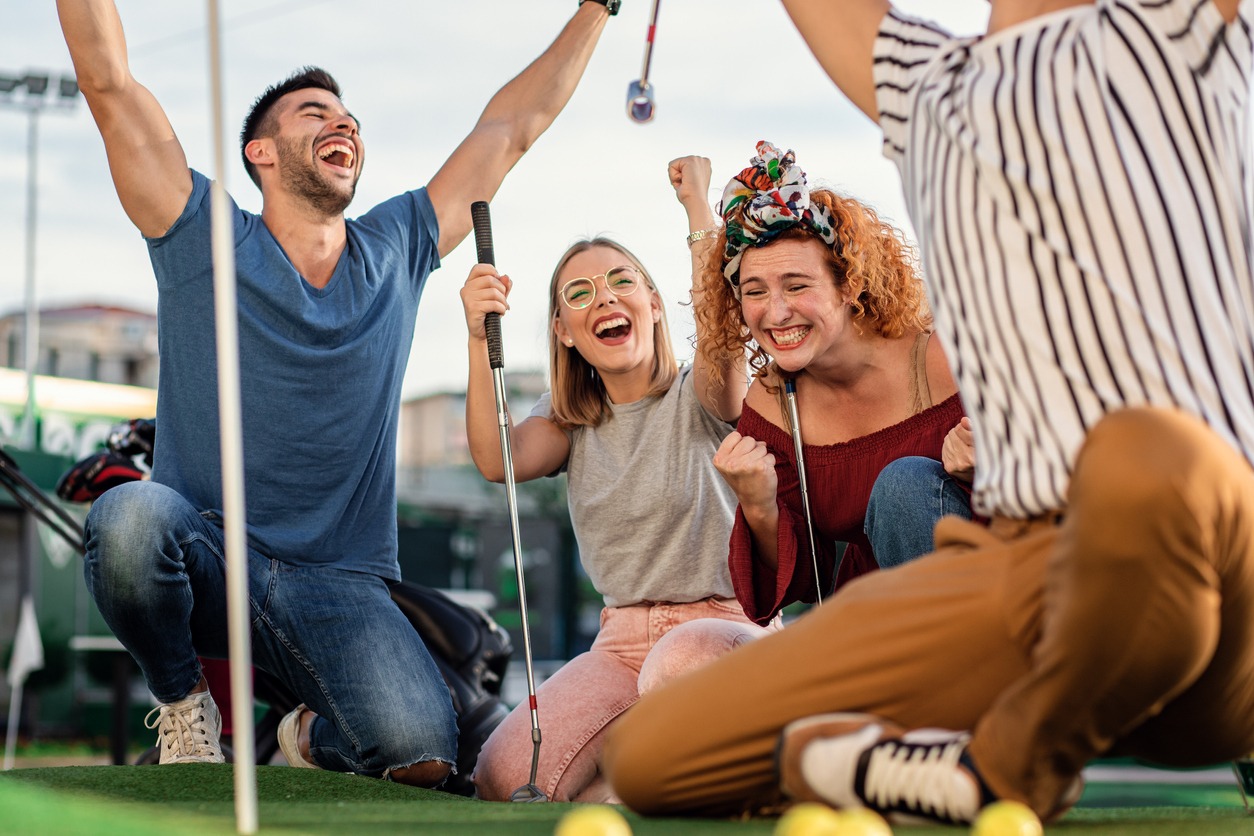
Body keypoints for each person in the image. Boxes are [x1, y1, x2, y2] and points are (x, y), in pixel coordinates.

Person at [604, 0, 1254, 825]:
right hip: (1020, 572)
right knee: (657, 755)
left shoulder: (1179, 28)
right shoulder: (927, 85)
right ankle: (912, 762)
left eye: (797, 285)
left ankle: (1006, 763)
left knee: (1144, 454)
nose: (775, 307)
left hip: (1210, 561)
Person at [58, 0, 621, 786]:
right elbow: (107, 83)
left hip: (340, 583)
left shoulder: (397, 245)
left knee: (422, 756)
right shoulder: (200, 232)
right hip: (213, 553)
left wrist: (601, 7)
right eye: (316, 112)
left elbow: (511, 127)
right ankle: (186, 710)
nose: (345, 124)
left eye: (351, 117)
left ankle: (303, 735)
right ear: (261, 151)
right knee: (127, 519)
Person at [459, 156, 776, 802]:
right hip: (620, 643)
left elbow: (722, 341)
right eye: (579, 294)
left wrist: (697, 213)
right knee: (505, 776)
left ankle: (742, 759)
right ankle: (652, 785)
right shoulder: (568, 418)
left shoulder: (705, 392)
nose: (602, 297)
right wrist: (473, 334)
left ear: (655, 305)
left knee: (679, 666)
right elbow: (499, 461)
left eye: (621, 281)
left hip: (722, 626)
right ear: (564, 332)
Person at [696, 141, 972, 626]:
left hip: (999, 603)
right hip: (878, 625)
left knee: (903, 487)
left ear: (849, 285)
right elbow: (803, 585)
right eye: (754, 291)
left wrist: (990, 469)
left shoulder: (949, 356)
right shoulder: (774, 403)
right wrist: (758, 504)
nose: (775, 312)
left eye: (797, 285)